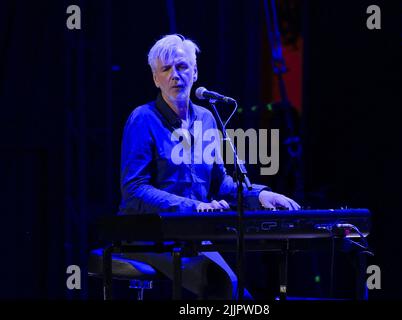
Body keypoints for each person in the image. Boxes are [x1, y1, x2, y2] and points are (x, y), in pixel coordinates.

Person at [118, 34, 301, 299]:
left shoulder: (206, 117)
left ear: (195, 72)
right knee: (227, 290)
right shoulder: (142, 119)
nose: (174, 75)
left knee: (240, 295)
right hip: (150, 235)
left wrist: (261, 195)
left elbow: (220, 183)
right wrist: (193, 206)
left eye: (181, 67)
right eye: (166, 69)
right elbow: (134, 190)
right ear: (155, 79)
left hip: (192, 236)